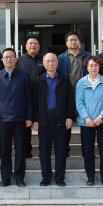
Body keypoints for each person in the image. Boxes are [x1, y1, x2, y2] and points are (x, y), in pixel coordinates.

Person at [32, 53, 75, 187]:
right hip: (44, 118)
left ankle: (59, 178)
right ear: (44, 64)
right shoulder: (38, 81)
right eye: (47, 61)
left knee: (61, 149)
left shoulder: (65, 79)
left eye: (53, 61)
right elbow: (34, 103)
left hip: (61, 117)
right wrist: (35, 119)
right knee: (44, 150)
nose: (50, 63)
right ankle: (46, 177)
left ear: (57, 63)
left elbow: (70, 100)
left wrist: (69, 116)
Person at [0, 48, 33, 187]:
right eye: (6, 57)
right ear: (2, 60)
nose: (8, 59)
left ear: (16, 59)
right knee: (5, 150)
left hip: (20, 118)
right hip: (3, 119)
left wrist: (29, 116)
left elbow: (29, 98)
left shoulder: (24, 75)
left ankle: (20, 177)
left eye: (11, 56)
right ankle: (5, 178)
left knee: (20, 150)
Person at [76, 56, 103, 185]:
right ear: (86, 67)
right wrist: (86, 117)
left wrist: (101, 116)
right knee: (88, 150)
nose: (93, 68)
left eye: (96, 65)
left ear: (99, 67)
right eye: (91, 65)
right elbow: (79, 102)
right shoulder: (81, 83)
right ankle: (90, 176)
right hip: (86, 122)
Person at [57, 31, 91, 157]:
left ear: (79, 41)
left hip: (85, 93)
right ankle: (64, 149)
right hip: (67, 93)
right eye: (70, 40)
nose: (73, 42)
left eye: (75, 39)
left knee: (85, 121)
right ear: (66, 43)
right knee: (66, 122)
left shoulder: (87, 56)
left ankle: (86, 151)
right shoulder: (61, 58)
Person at [16, 36, 46, 158]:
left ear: (39, 46)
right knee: (26, 125)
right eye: (30, 43)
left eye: (35, 43)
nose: (33, 45)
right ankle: (27, 151)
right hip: (25, 97)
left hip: (42, 97)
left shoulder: (44, 59)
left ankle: (43, 151)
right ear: (26, 46)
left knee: (42, 124)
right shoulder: (19, 60)